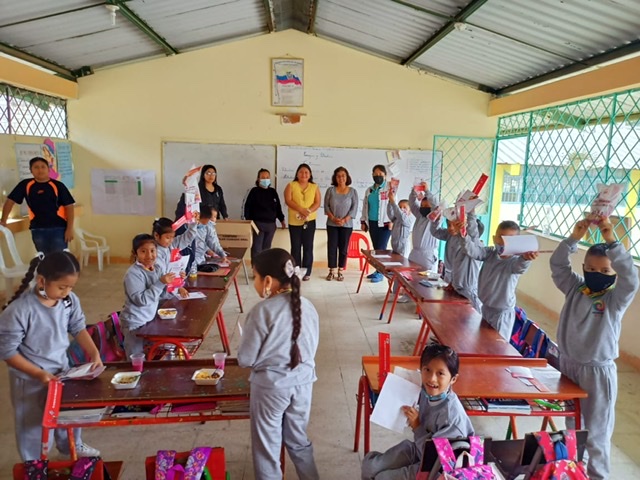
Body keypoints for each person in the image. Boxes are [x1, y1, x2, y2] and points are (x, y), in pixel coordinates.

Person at [550, 216, 638, 480]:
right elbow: (558, 265)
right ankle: (577, 472)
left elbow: (631, 279)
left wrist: (612, 240)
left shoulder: (615, 300)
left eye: (605, 271)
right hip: (569, 366)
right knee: (573, 425)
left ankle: (598, 475)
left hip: (597, 373)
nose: (596, 274)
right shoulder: (575, 288)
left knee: (597, 433)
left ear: (615, 273)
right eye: (590, 268)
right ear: (583, 267)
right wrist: (574, 238)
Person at [0, 251, 102, 461]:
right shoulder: (20, 310)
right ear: (41, 281)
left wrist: (94, 353)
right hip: (29, 379)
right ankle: (34, 463)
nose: (67, 292)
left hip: (61, 370)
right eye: (62, 287)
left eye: (71, 287)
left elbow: (78, 327)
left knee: (68, 413)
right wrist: (39, 374)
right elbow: (7, 352)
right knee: (32, 423)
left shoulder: (68, 301)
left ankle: (71, 447)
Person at [238, 248, 320, 480]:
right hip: (303, 384)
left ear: (267, 281)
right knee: (298, 441)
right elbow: (311, 347)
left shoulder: (261, 311)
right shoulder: (309, 306)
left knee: (267, 448)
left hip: (270, 388)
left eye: (255, 276)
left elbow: (245, 359)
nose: (254, 282)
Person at [361, 344, 474, 480]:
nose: (431, 379)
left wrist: (417, 426)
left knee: (382, 478)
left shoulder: (451, 417)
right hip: (419, 449)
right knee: (370, 467)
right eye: (427, 370)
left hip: (437, 468)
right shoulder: (427, 390)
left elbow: (436, 459)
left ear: (453, 379)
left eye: (440, 373)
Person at [462, 220, 538, 339]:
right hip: (486, 307)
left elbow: (520, 267)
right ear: (494, 238)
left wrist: (526, 259)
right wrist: (464, 235)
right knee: (483, 340)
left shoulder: (514, 261)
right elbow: (473, 251)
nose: (504, 242)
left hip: (502, 314)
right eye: (501, 237)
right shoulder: (490, 253)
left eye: (510, 239)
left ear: (517, 243)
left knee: (497, 345)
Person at [1, 157, 75, 254]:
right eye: (36, 167)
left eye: (43, 167)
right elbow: (10, 201)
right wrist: (3, 220)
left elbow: (69, 207)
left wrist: (69, 229)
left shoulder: (58, 185)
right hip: (37, 229)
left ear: (48, 169)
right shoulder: (25, 184)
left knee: (59, 258)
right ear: (31, 170)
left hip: (58, 228)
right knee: (43, 258)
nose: (40, 170)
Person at [120, 234, 175, 355]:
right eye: (143, 251)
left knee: (156, 351)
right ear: (135, 253)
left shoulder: (157, 268)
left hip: (149, 319)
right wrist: (161, 283)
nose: (149, 256)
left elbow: (162, 295)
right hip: (134, 323)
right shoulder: (133, 274)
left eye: (152, 251)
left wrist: (175, 282)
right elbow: (142, 300)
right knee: (136, 356)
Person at [430, 211, 484, 312]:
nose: (451, 228)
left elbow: (472, 233)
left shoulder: (474, 246)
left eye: (455, 225)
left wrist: (471, 212)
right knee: (451, 312)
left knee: (471, 317)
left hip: (468, 289)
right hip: (455, 283)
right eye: (448, 225)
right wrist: (453, 282)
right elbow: (457, 267)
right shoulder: (453, 236)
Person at [284, 164, 321, 281]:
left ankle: (307, 272)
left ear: (310, 175)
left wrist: (307, 211)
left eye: (306, 172)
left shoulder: (314, 187)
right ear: (297, 174)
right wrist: (301, 210)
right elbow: (288, 200)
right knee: (295, 247)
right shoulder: (291, 185)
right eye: (301, 172)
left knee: (308, 247)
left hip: (309, 221)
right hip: (294, 222)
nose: (303, 174)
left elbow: (317, 203)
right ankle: (296, 271)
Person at [324, 166, 359, 281]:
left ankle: (340, 271)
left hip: (347, 225)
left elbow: (354, 208)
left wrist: (344, 220)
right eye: (338, 176)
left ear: (347, 177)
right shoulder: (330, 191)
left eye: (343, 176)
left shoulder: (353, 192)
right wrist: (333, 218)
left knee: (343, 248)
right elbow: (326, 206)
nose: (341, 178)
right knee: (332, 247)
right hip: (332, 224)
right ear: (335, 178)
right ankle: (331, 271)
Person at [243, 168, 286, 260]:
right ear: (258, 179)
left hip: (271, 225)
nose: (265, 179)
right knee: (257, 249)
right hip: (258, 224)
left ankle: (265, 268)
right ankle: (256, 268)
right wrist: (248, 221)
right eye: (263, 177)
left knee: (267, 249)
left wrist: (282, 220)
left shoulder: (273, 192)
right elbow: (247, 207)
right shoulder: (254, 191)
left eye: (267, 177)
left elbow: (278, 207)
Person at [361, 165, 392, 283]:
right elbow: (365, 207)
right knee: (376, 248)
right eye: (375, 174)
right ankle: (378, 270)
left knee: (381, 248)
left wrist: (392, 220)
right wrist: (363, 221)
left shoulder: (389, 189)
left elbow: (393, 206)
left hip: (385, 224)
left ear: (385, 176)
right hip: (372, 222)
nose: (378, 176)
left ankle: (381, 273)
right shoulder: (369, 190)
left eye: (380, 174)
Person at [407, 182, 439, 271]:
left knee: (427, 278)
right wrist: (414, 191)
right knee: (410, 276)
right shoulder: (419, 216)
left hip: (428, 256)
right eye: (422, 205)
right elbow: (412, 204)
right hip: (415, 253)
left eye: (426, 206)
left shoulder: (434, 218)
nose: (423, 207)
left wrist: (427, 191)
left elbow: (436, 206)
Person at [387, 193, 414, 258]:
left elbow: (402, 218)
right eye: (400, 207)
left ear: (410, 210)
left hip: (403, 247)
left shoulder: (410, 218)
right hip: (395, 244)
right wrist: (390, 202)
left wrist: (393, 202)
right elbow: (390, 214)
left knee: (402, 262)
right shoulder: (396, 218)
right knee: (394, 260)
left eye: (404, 207)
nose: (402, 209)